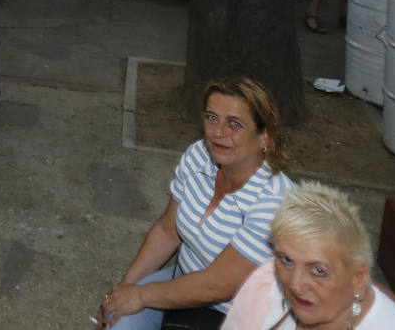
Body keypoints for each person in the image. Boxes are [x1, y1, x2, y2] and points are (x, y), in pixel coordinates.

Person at [98, 77, 295, 330]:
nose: (218, 132)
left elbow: (217, 285)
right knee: (119, 321)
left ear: (264, 137)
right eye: (212, 118)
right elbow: (167, 230)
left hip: (250, 314)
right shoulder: (199, 156)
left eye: (234, 124)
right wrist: (124, 289)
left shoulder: (276, 203)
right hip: (186, 279)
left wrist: (141, 295)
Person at [222, 183, 395, 330]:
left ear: (358, 278)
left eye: (318, 271)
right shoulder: (266, 286)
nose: (296, 285)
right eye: (286, 260)